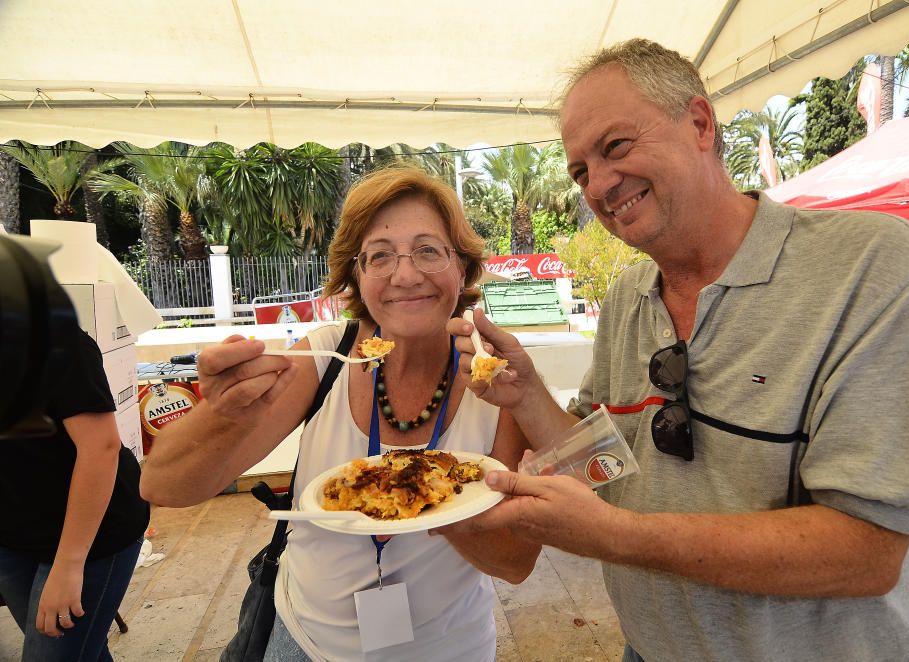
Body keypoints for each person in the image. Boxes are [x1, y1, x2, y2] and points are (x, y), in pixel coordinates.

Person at [443, 39, 909, 662]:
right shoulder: (631, 293)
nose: (599, 185)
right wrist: (524, 392)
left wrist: (616, 537)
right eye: (580, 171)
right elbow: (602, 464)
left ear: (699, 123)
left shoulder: (870, 265)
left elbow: (868, 553)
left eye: (616, 147)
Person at [140, 166, 540, 661]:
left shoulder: (496, 380)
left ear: (462, 268)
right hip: (306, 643)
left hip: (449, 648)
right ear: (356, 274)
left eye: (428, 250)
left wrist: (414, 499)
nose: (406, 274)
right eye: (380, 256)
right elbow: (162, 486)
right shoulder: (326, 356)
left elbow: (516, 560)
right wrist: (225, 413)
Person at [0, 326, 149, 661]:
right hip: (13, 535)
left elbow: (100, 448)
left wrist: (68, 565)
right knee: (80, 650)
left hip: (91, 533)